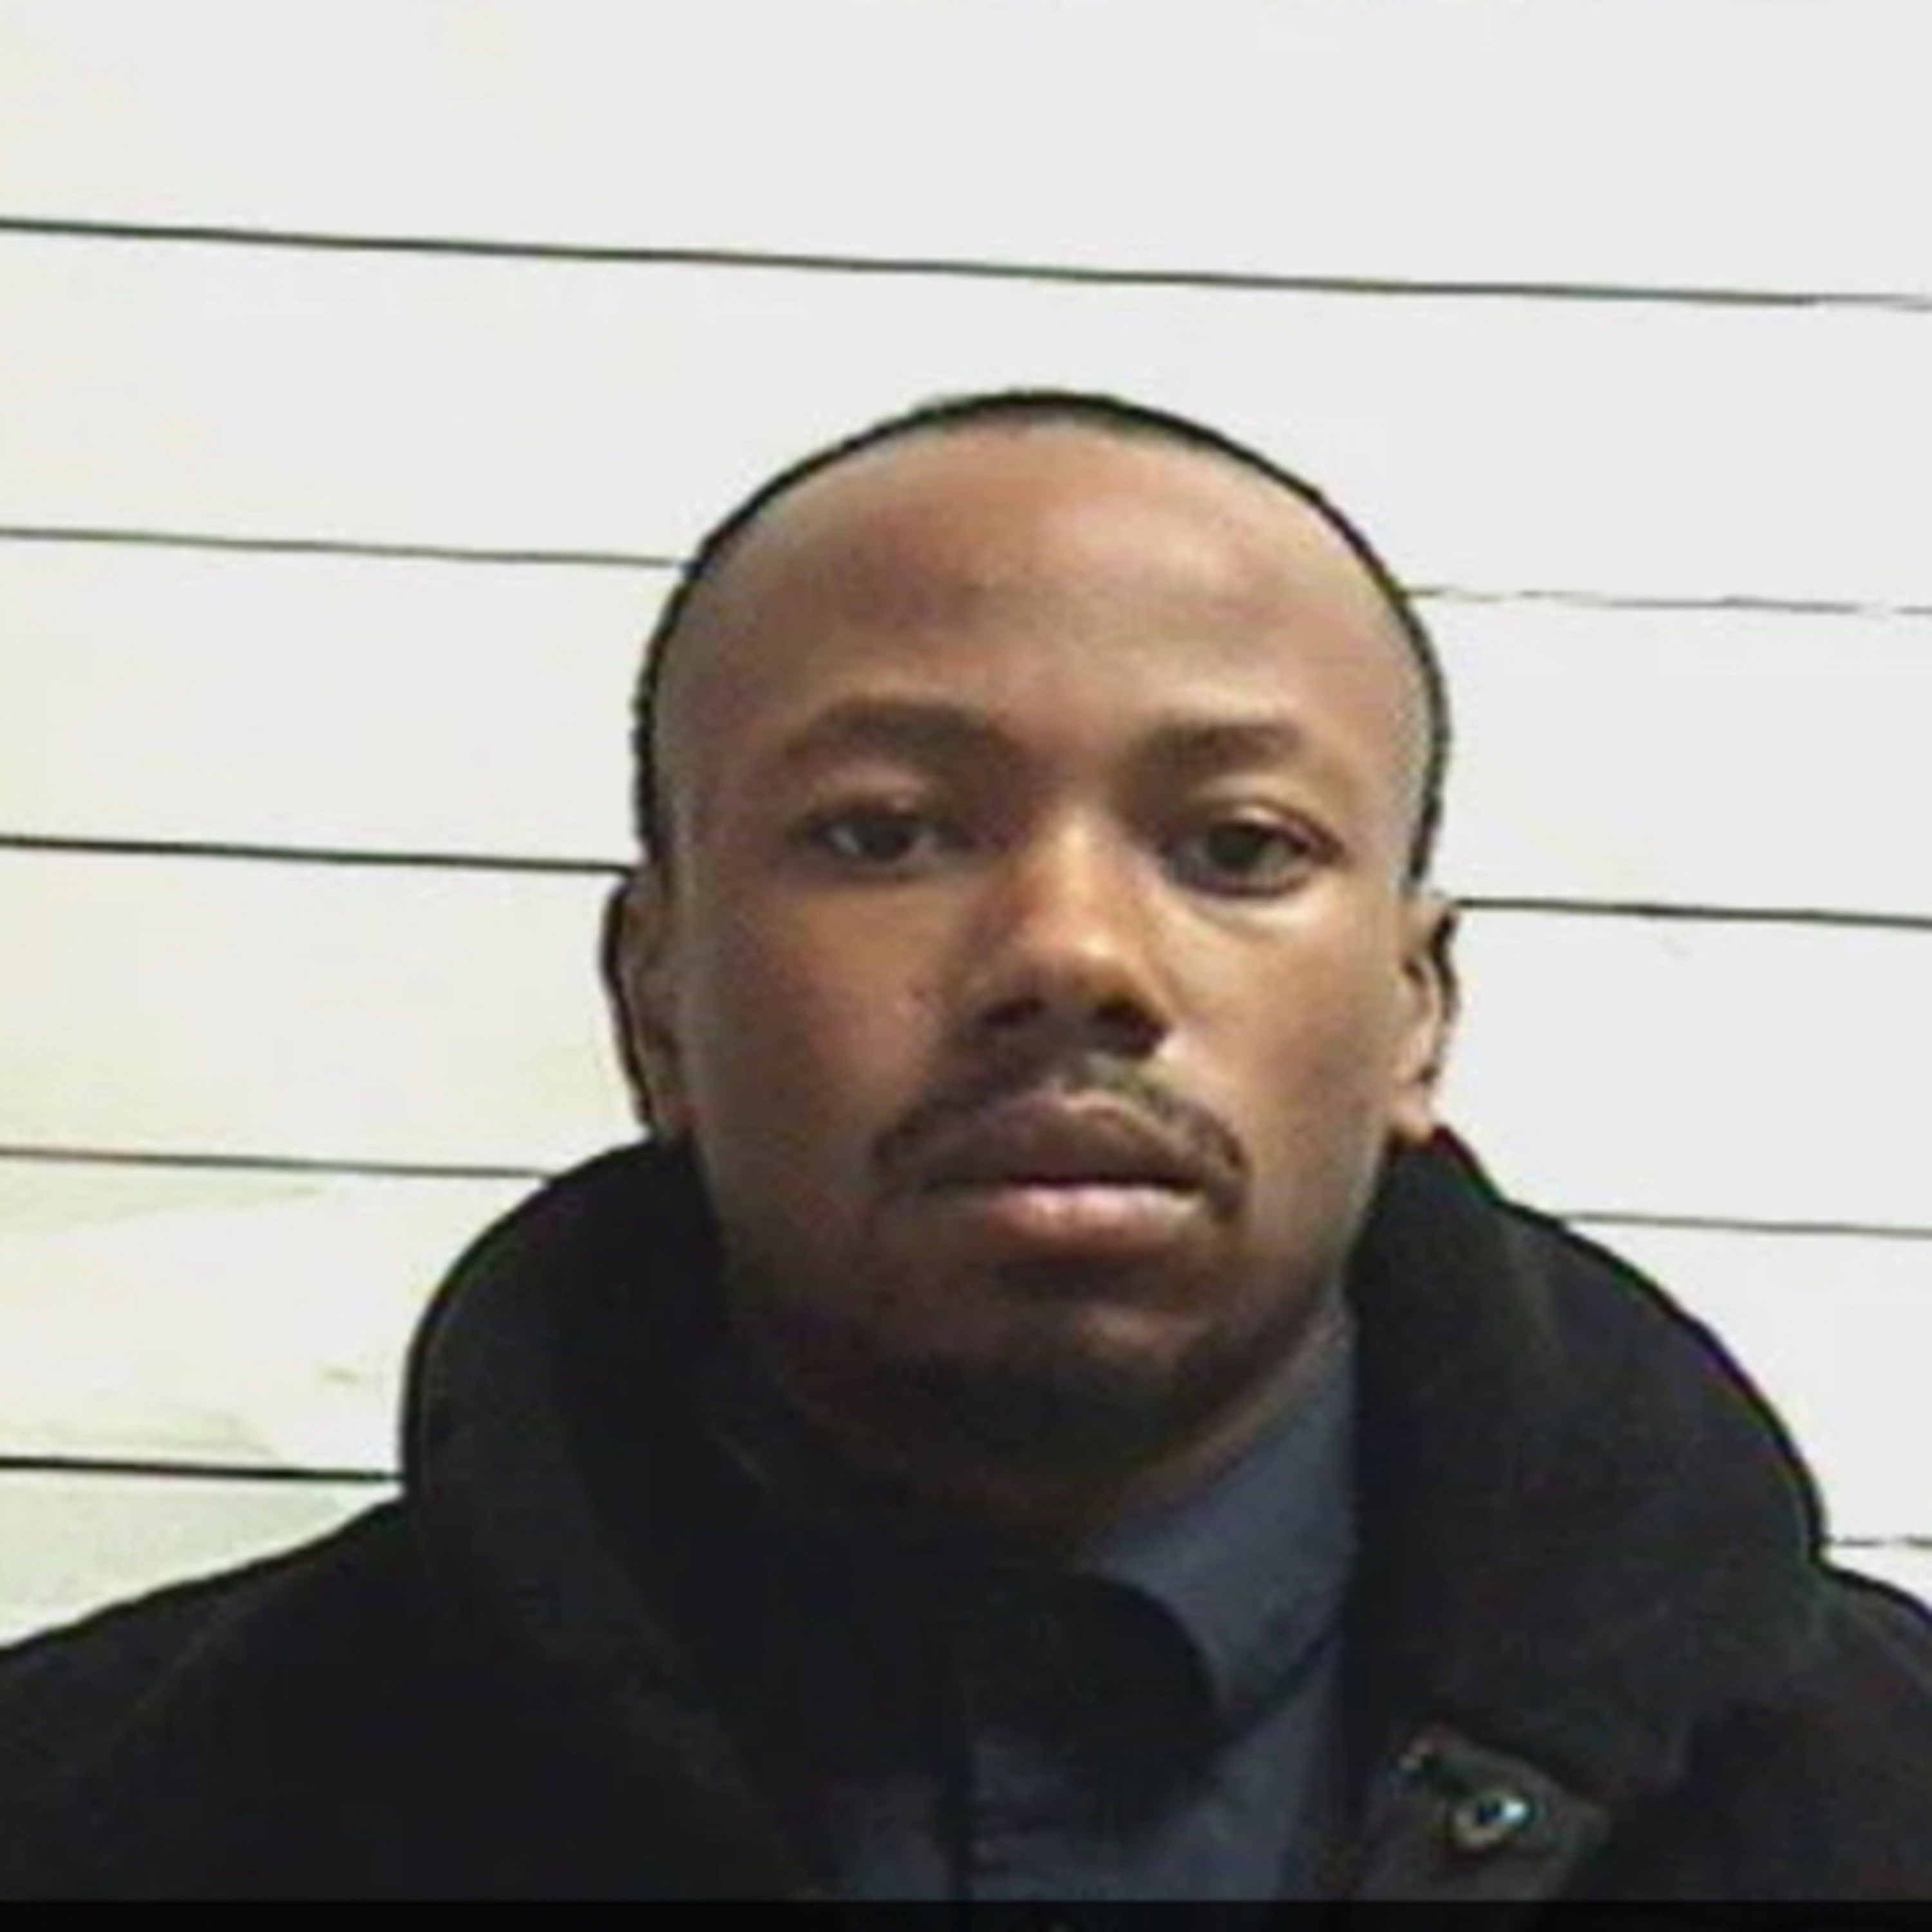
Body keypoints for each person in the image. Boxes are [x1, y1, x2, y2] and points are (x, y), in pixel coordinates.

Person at [2, 390, 1929, 1902]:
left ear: (1415, 1010)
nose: (1071, 954)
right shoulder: (102, 1816)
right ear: (656, 997)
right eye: (883, 834)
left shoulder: (1873, 1805)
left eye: (1237, 846)